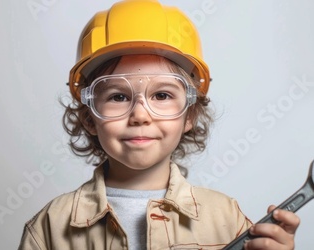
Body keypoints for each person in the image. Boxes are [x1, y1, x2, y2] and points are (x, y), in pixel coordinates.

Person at [18, 0, 300, 249]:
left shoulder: (226, 218)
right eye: (118, 96)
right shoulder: (51, 227)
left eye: (162, 95)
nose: (140, 114)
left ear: (189, 115)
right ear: (89, 117)